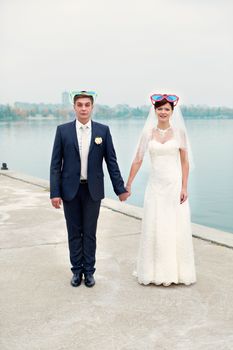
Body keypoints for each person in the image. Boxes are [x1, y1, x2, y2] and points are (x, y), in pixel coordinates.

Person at [50, 90, 129, 288]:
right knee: (74, 232)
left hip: (92, 190)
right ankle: (76, 271)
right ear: (74, 107)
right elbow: (55, 164)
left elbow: (111, 162)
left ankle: (89, 272)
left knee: (90, 232)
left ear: (92, 107)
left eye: (87, 105)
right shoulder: (63, 131)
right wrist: (55, 192)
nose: (83, 108)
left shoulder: (103, 131)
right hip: (70, 191)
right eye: (80, 105)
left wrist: (120, 188)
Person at [126, 93, 196, 286]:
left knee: (174, 226)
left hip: (174, 185)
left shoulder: (180, 133)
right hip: (155, 186)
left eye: (167, 109)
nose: (163, 112)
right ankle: (152, 271)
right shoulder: (147, 133)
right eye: (160, 109)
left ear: (172, 112)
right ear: (155, 111)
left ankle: (176, 272)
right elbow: (138, 159)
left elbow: (185, 162)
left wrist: (184, 187)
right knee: (154, 225)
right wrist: (129, 183)